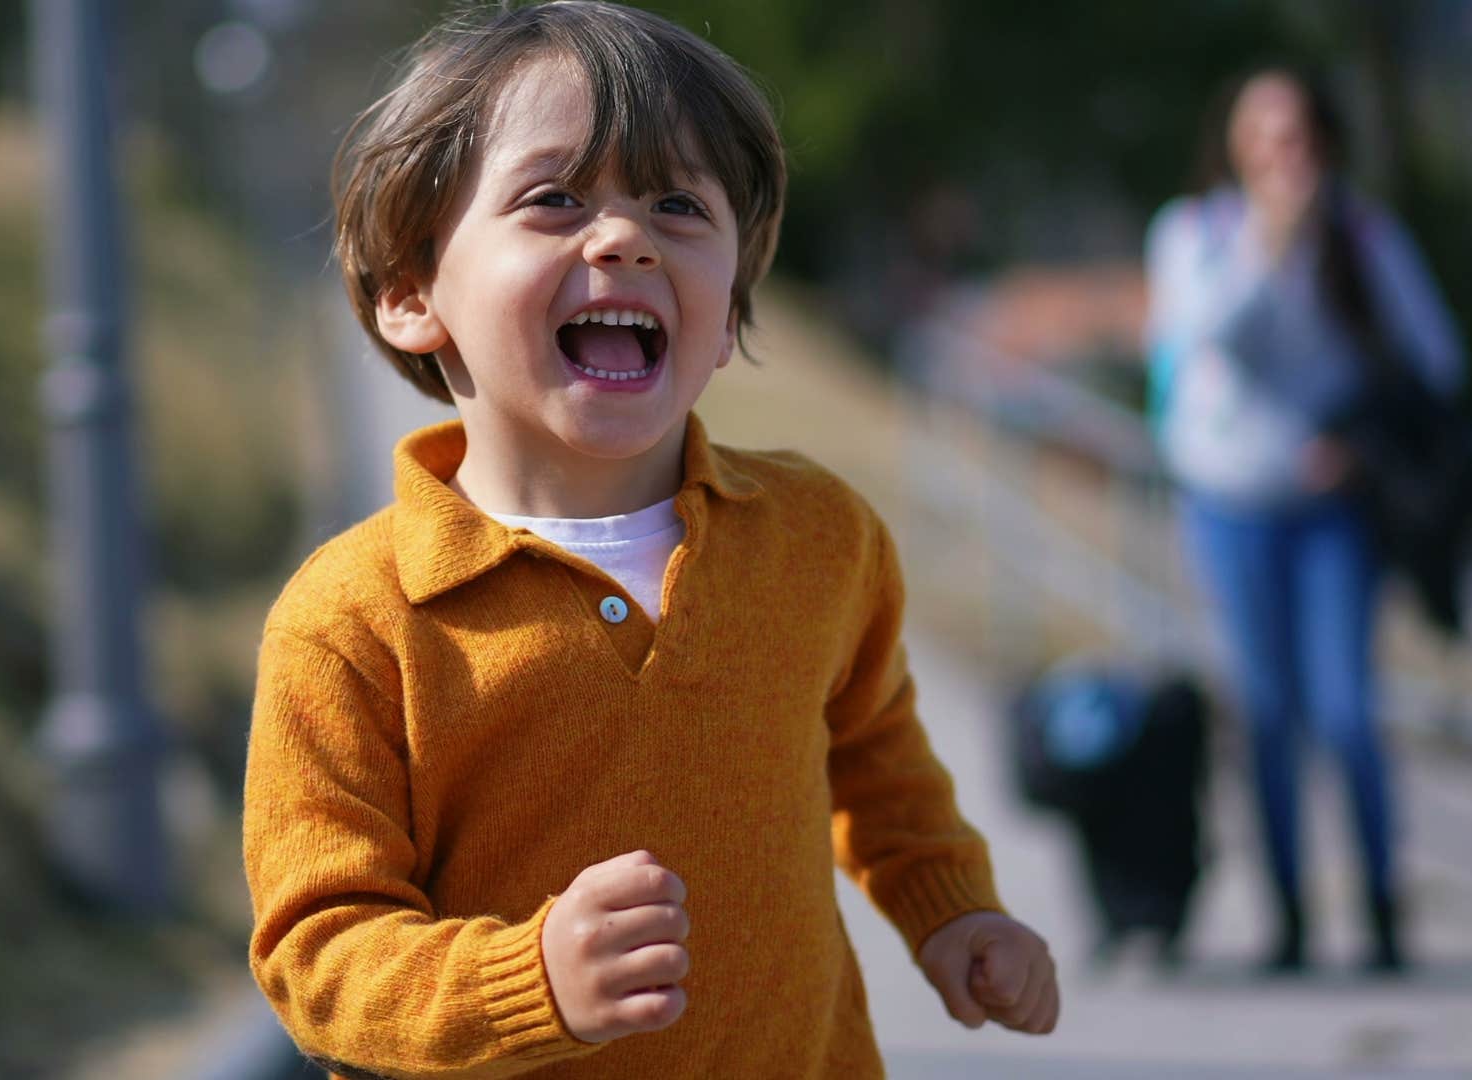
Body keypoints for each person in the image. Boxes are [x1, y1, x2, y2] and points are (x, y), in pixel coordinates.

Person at [243, 3, 1059, 1076]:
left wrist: (950, 910)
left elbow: (875, 755)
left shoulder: (817, 537)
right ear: (410, 292)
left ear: (726, 317)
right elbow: (319, 951)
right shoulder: (352, 616)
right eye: (554, 199)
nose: (624, 236)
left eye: (679, 203)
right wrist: (526, 982)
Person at [1144, 66, 1465, 975]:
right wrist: (1271, 245)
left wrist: (1362, 444)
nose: (1284, 154)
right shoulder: (1196, 234)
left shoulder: (1364, 237)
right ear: (1236, 145)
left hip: (1333, 516)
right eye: (1264, 135)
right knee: (1267, 715)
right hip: (1231, 508)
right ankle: (1287, 922)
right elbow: (1207, 338)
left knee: (1347, 712)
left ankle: (1383, 914)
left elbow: (1437, 359)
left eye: (1298, 137)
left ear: (1324, 144)